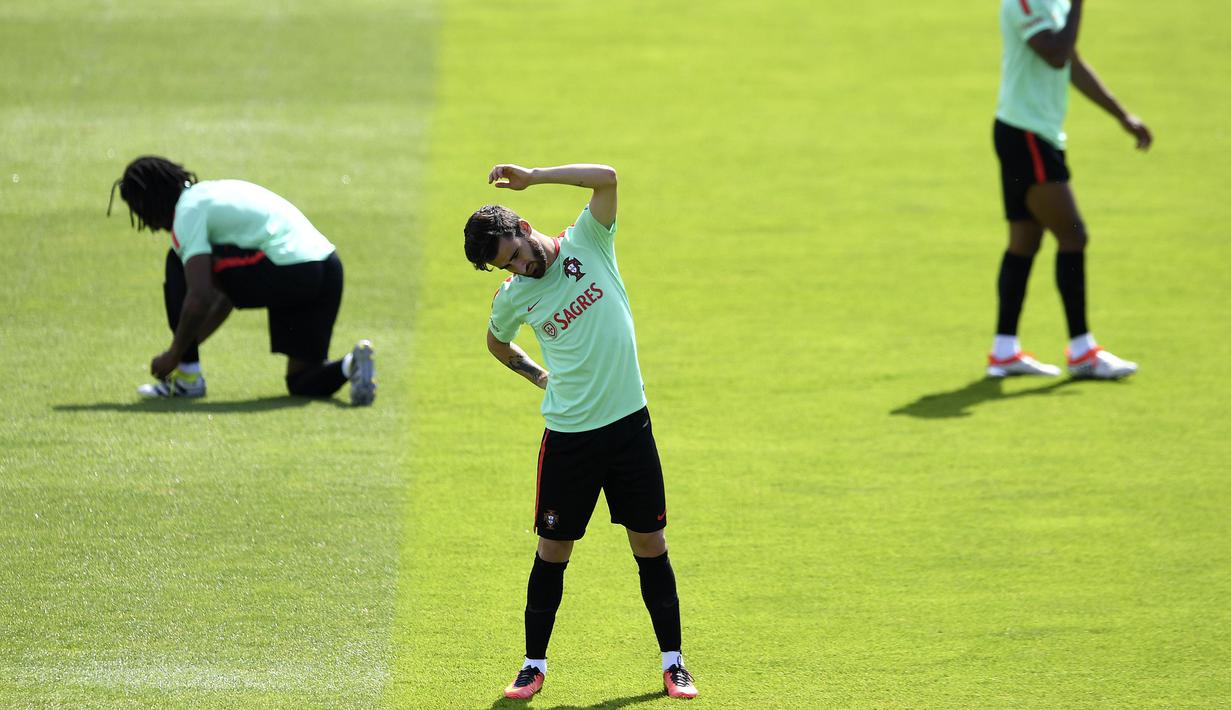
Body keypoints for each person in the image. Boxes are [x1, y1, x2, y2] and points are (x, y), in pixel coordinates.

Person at [463, 163, 699, 700]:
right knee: (553, 550)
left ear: (522, 225)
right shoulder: (512, 297)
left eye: (517, 253)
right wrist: (538, 376)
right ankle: (532, 666)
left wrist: (534, 176)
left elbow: (608, 177)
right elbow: (497, 342)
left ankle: (674, 663)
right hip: (570, 438)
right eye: (510, 266)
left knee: (650, 543)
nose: (522, 267)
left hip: (629, 428)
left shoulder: (588, 239)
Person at [108, 155, 376, 405]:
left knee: (177, 260)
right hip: (326, 267)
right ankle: (352, 363)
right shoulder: (210, 194)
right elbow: (224, 298)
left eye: (140, 210)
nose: (147, 223)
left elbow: (202, 295)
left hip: (288, 269)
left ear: (151, 201)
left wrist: (176, 354)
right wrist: (182, 348)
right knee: (302, 381)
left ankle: (188, 379)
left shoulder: (187, 213)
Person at [988, 0, 1151, 379]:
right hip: (1025, 135)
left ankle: (1004, 350)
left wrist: (1121, 115)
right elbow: (1056, 55)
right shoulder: (1023, 2)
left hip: (1037, 134)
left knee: (1025, 242)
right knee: (1074, 235)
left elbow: (1072, 61)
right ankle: (1082, 350)